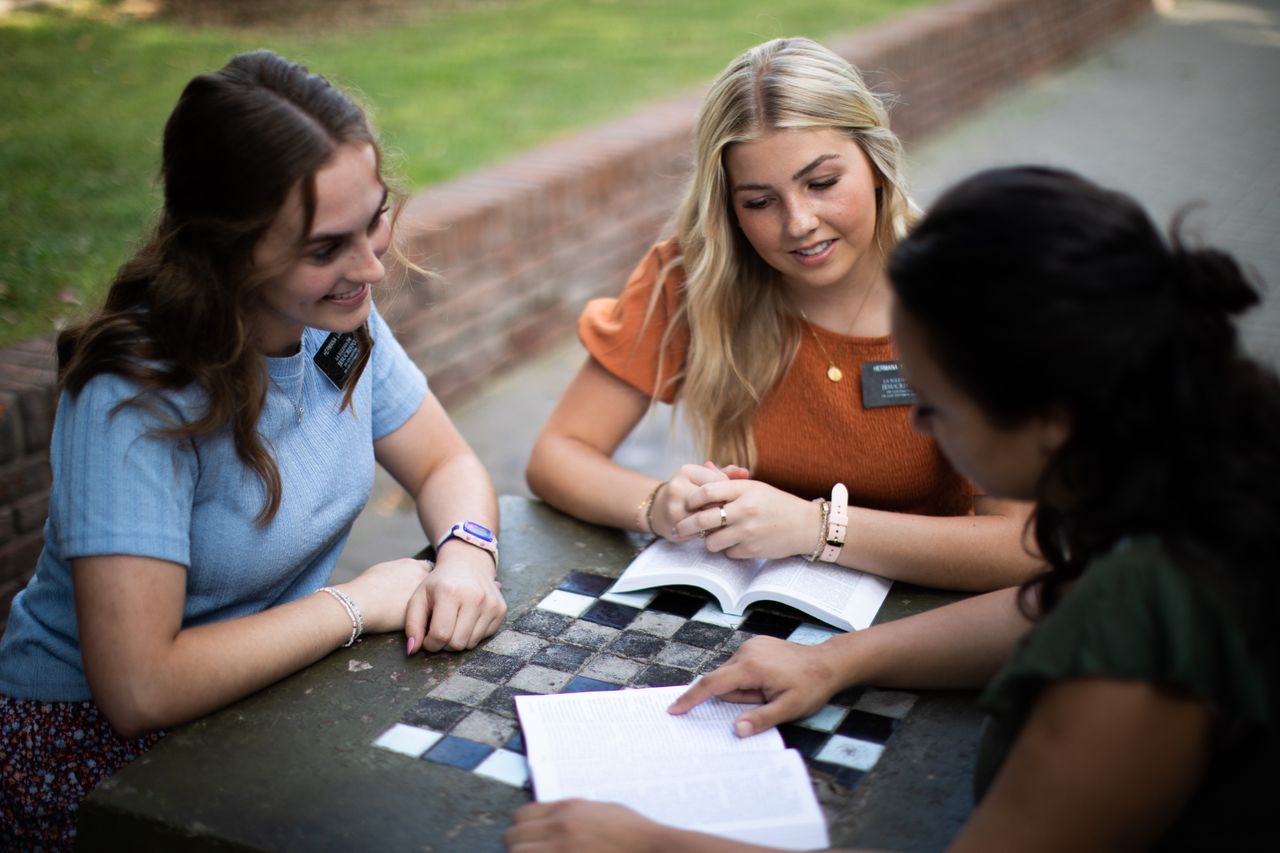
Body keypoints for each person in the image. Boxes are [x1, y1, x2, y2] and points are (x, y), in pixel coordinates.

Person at [505, 167, 1280, 850]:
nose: (917, 424)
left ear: (1047, 416)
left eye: (936, 405)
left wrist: (655, 846)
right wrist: (836, 660)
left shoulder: (1146, 628)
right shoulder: (1194, 485)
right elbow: (1056, 604)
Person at [0, 50, 507, 848]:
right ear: (227, 249)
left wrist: (468, 554)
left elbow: (447, 464)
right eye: (323, 248)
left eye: (374, 218)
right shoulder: (132, 393)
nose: (371, 266)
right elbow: (138, 686)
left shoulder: (337, 325)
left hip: (260, 702)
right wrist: (354, 602)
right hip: (97, 761)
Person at [526, 37, 1039, 591]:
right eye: (759, 202)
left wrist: (818, 530)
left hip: (936, 614)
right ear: (728, 206)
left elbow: (1025, 546)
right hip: (761, 613)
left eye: (822, 184)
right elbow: (558, 454)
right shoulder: (695, 274)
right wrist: (655, 505)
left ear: (876, 162)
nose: (799, 223)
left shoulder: (972, 294)